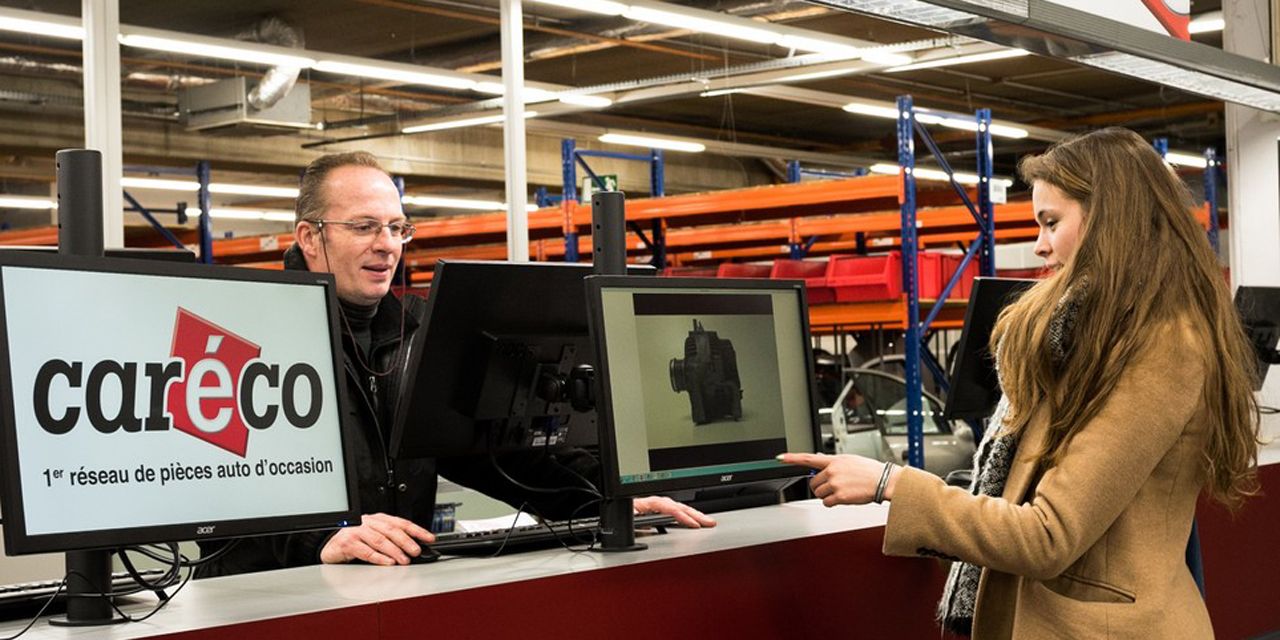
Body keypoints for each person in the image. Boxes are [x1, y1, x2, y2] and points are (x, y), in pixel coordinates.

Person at [781, 128, 1261, 639]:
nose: (1039, 245)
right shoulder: (1089, 342)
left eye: (1051, 222)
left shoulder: (1161, 348)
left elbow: (1048, 534)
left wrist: (892, 484)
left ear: (1110, 219)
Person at [199, 152, 712, 576]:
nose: (386, 245)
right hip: (263, 598)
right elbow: (212, 483)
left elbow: (495, 449)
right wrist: (323, 536)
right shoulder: (245, 337)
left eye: (396, 227)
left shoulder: (417, 333)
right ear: (310, 237)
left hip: (385, 589)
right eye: (364, 226)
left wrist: (608, 498)